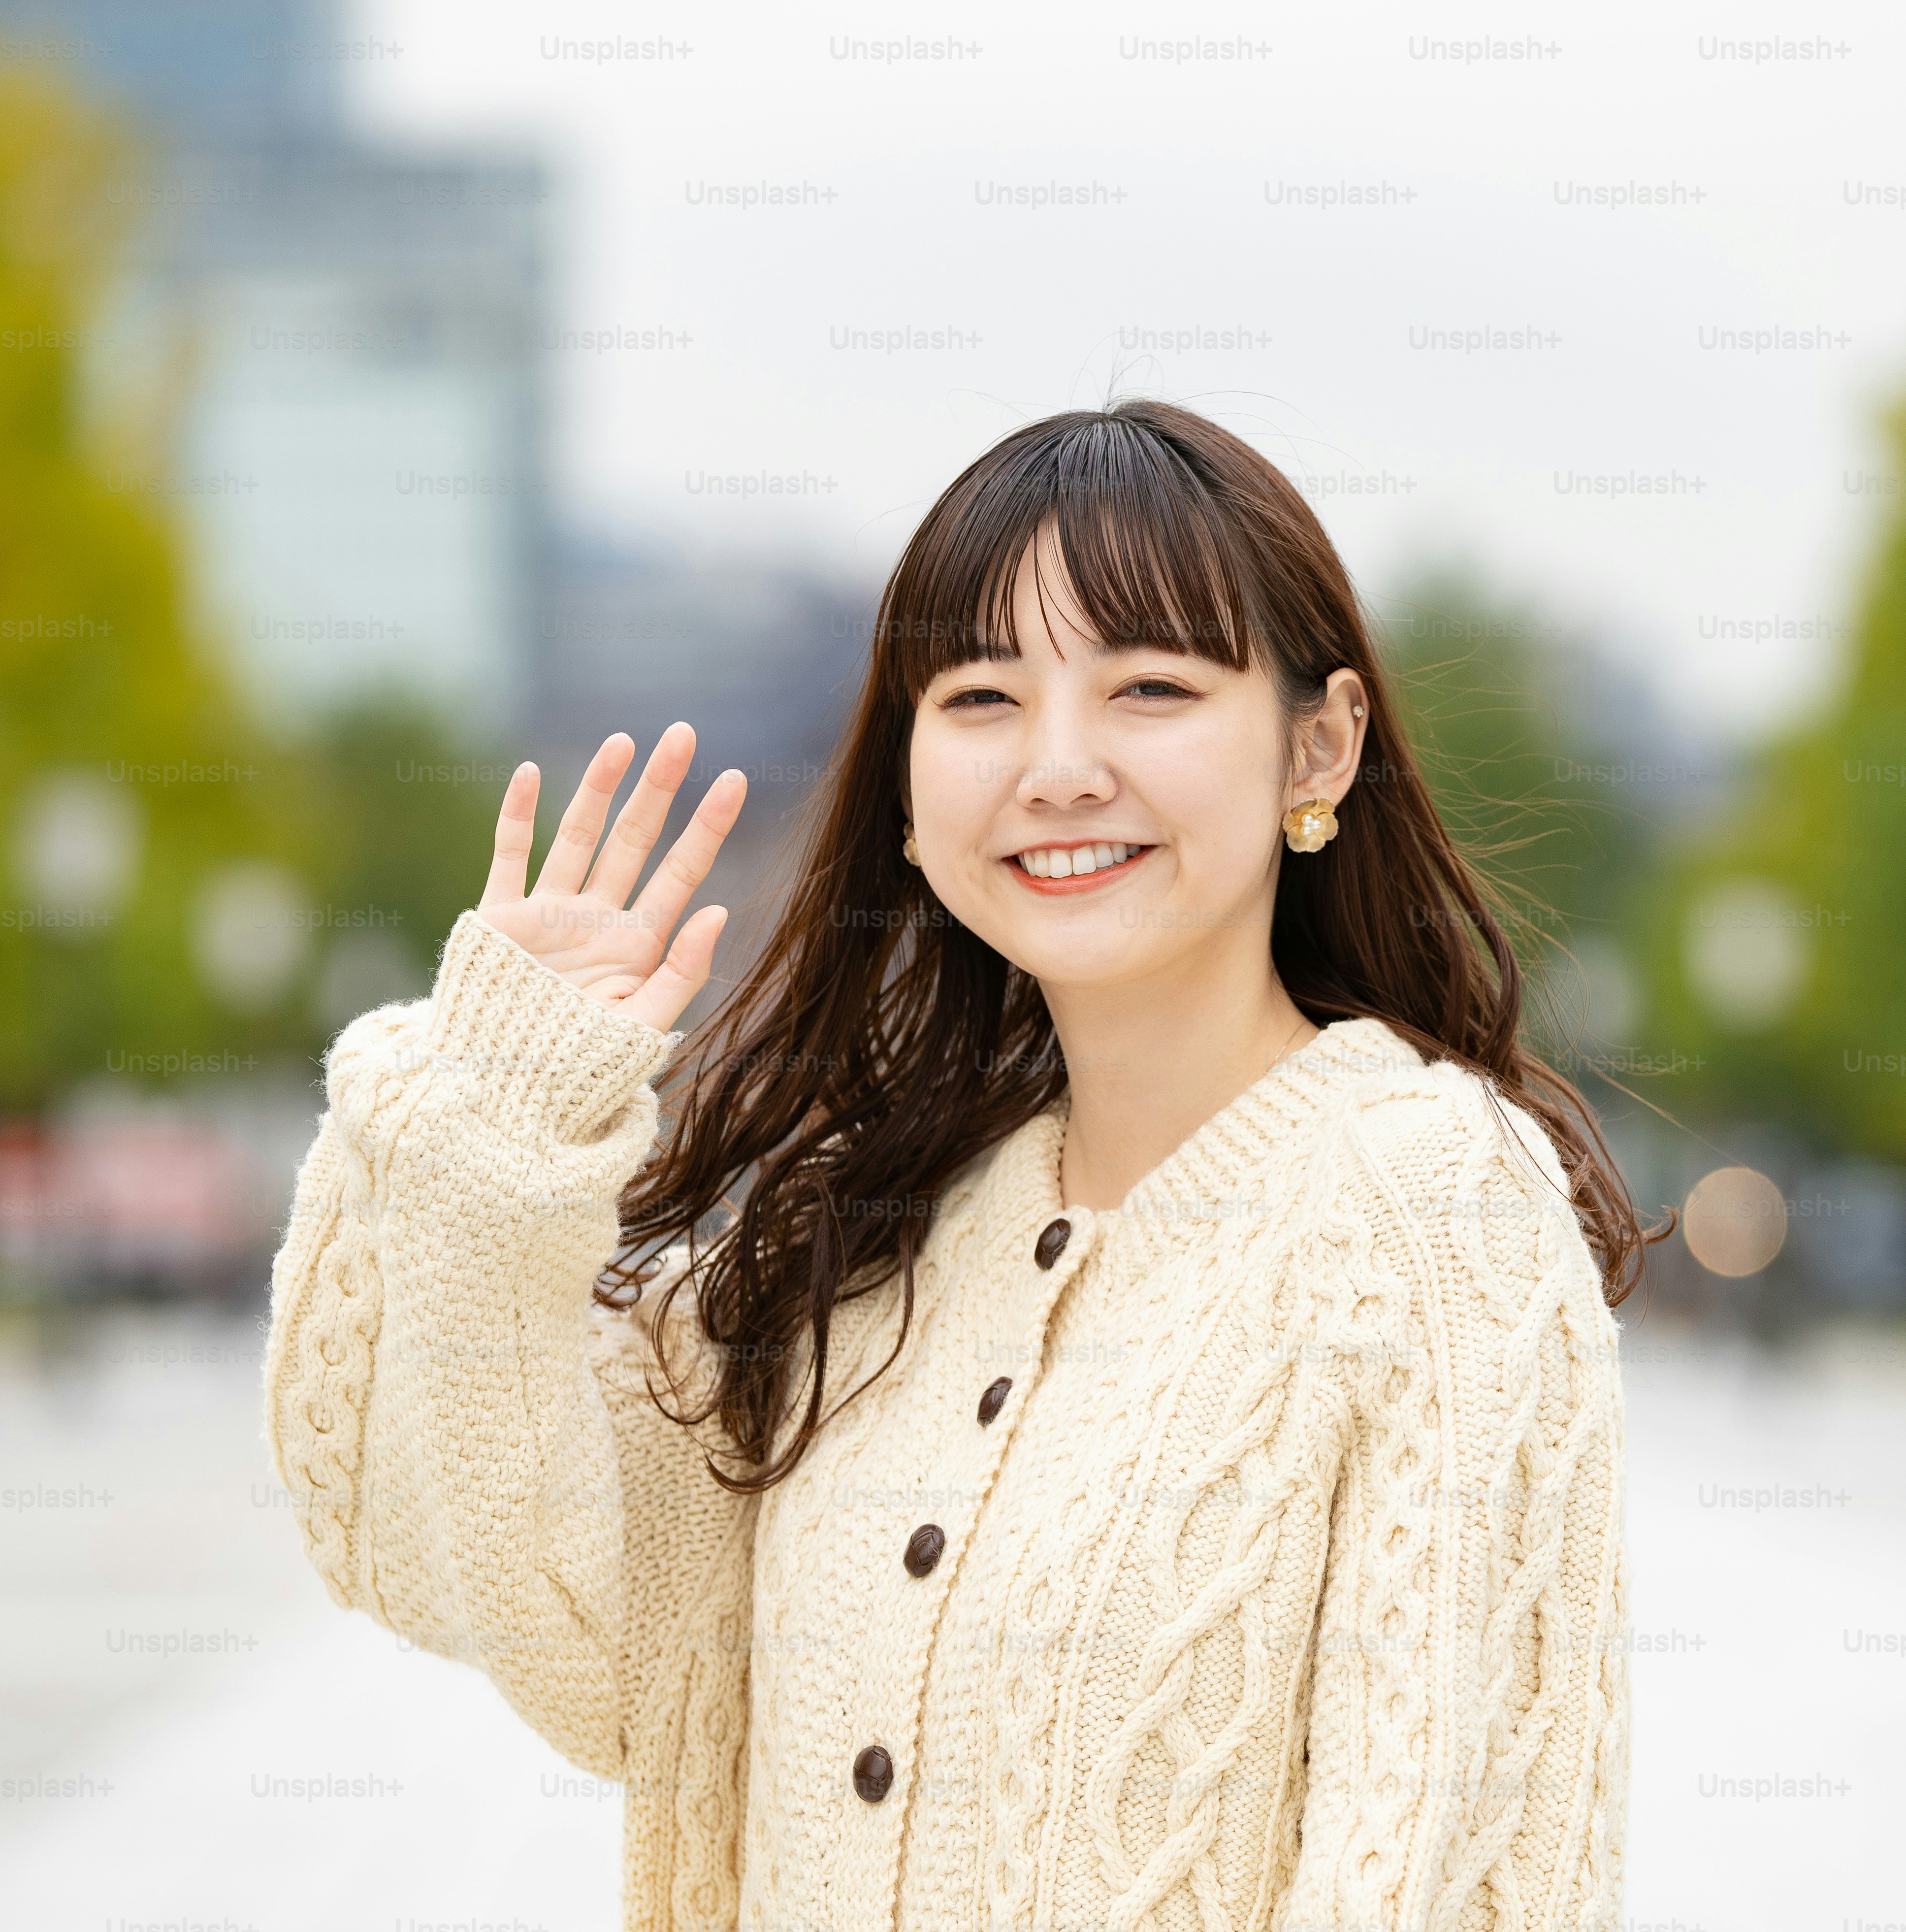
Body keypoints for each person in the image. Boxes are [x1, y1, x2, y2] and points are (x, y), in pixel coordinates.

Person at [262, 399, 1645, 1931]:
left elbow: (1443, 1878)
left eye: (1151, 688)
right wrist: (486, 1127)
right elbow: (547, 1608)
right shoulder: (870, 1226)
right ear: (911, 794)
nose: (1058, 767)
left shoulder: (1435, 1211)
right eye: (981, 697)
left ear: (1317, 747)